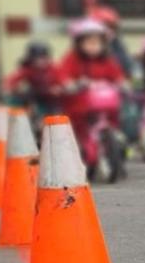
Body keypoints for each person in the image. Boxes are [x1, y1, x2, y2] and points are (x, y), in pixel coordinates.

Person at [53, 16, 129, 165]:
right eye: (89, 42)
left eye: (97, 42)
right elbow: (63, 73)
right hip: (80, 102)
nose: (93, 46)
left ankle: (114, 139)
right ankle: (78, 147)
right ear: (79, 44)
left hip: (105, 101)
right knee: (76, 123)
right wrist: (69, 83)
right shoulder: (72, 59)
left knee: (115, 115)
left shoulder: (107, 60)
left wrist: (122, 83)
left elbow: (117, 74)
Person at [4, 42, 59, 115]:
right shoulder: (28, 69)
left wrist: (58, 88)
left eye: (44, 58)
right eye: (38, 58)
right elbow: (11, 80)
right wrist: (10, 88)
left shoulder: (52, 68)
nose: (41, 61)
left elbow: (62, 79)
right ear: (31, 59)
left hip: (51, 99)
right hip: (35, 98)